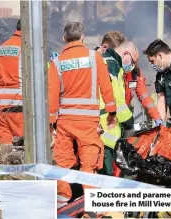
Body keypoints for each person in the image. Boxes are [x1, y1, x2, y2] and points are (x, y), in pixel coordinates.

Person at [48, 22, 117, 202]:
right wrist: (111, 112)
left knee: (62, 163)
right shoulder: (94, 57)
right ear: (83, 37)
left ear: (64, 38)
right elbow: (106, 87)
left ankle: (61, 202)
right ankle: (92, 207)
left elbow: (52, 96)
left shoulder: (56, 63)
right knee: (89, 165)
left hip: (65, 122)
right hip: (88, 122)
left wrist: (51, 123)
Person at [95, 31, 133, 176]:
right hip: (105, 128)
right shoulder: (110, 64)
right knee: (105, 174)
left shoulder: (105, 63)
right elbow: (116, 99)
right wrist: (128, 121)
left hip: (102, 129)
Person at [0, 19, 24, 146]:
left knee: (5, 146)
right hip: (19, 102)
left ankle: (3, 166)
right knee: (24, 146)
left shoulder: (2, 47)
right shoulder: (27, 48)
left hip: (2, 103)